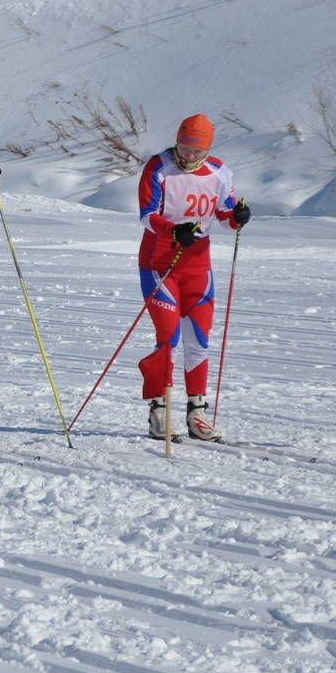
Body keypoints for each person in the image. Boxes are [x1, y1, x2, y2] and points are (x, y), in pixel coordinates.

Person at [136, 114, 248, 441]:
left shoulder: (218, 171)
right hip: (159, 264)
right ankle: (159, 409)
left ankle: (196, 412)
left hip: (198, 267)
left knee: (198, 340)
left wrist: (238, 217)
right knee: (168, 336)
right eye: (184, 148)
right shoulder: (158, 167)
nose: (188, 156)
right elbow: (147, 215)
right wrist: (175, 231)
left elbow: (225, 213)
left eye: (196, 151)